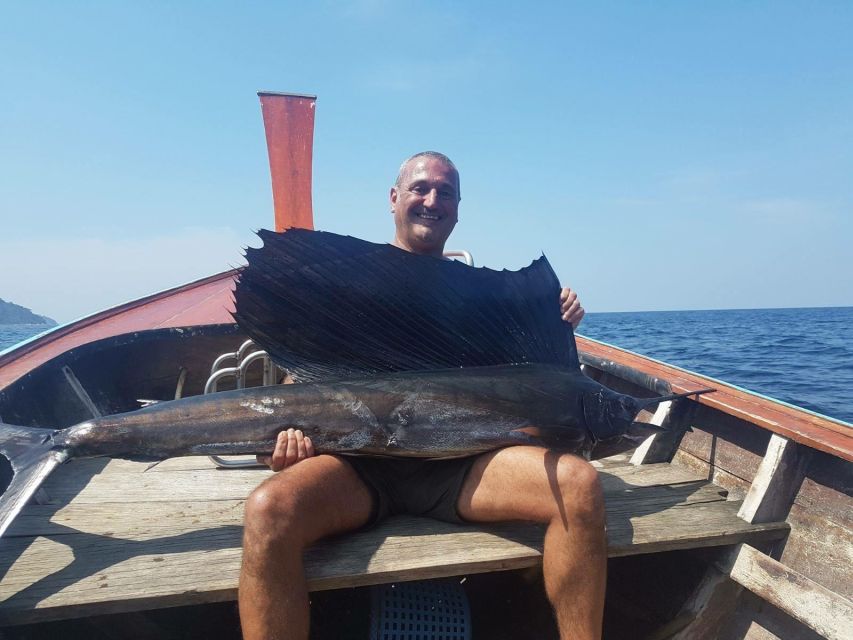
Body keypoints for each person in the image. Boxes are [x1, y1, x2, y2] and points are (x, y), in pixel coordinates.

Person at [238, 152, 604, 640]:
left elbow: (538, 387)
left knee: (579, 485)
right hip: (361, 464)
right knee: (268, 509)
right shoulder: (351, 286)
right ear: (394, 199)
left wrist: (553, 319)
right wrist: (279, 443)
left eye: (445, 193)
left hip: (463, 463)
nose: (432, 201)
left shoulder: (480, 298)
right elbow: (300, 387)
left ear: (457, 208)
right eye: (420, 189)